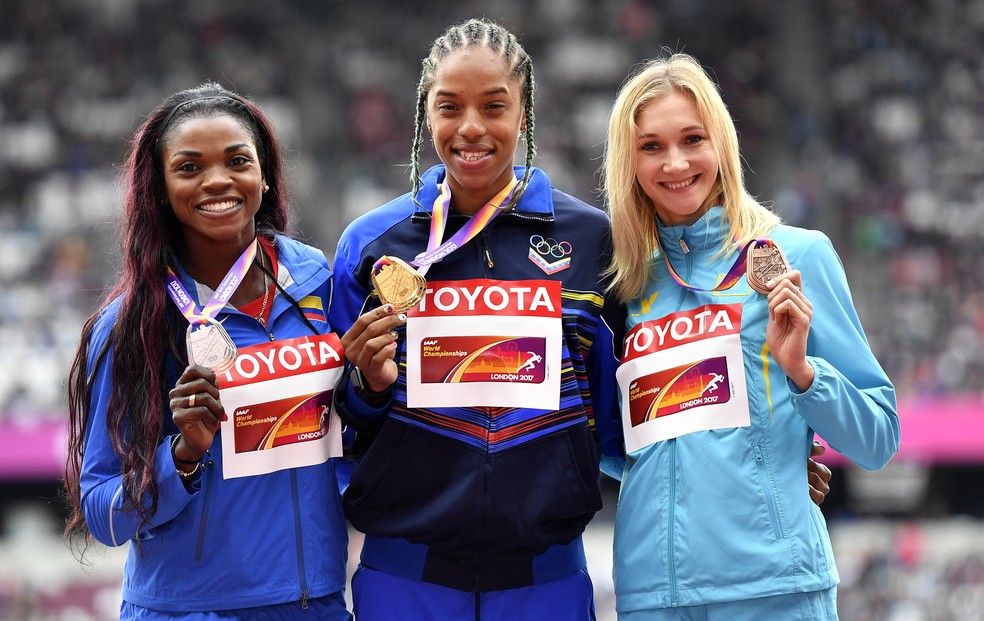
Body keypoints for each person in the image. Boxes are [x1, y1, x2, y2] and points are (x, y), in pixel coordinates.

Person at [328, 17, 625, 621]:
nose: (471, 128)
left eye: (494, 106)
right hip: (404, 571)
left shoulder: (592, 241)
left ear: (524, 113)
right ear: (425, 115)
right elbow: (338, 424)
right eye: (449, 106)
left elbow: (623, 412)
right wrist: (366, 386)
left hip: (547, 572)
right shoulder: (371, 243)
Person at [601, 53, 901, 620]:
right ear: (628, 161)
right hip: (650, 597)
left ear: (722, 144)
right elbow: (627, 447)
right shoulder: (623, 283)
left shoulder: (796, 256)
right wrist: (732, 463)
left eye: (693, 139)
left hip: (773, 592)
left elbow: (878, 438)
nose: (675, 162)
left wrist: (805, 378)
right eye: (651, 146)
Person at [62, 83, 352, 620]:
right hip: (190, 611)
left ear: (264, 175)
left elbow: (348, 439)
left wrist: (372, 389)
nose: (217, 180)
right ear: (162, 188)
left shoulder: (322, 287)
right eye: (189, 167)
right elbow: (102, 516)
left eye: (237, 160)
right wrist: (181, 458)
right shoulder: (132, 328)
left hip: (317, 604)